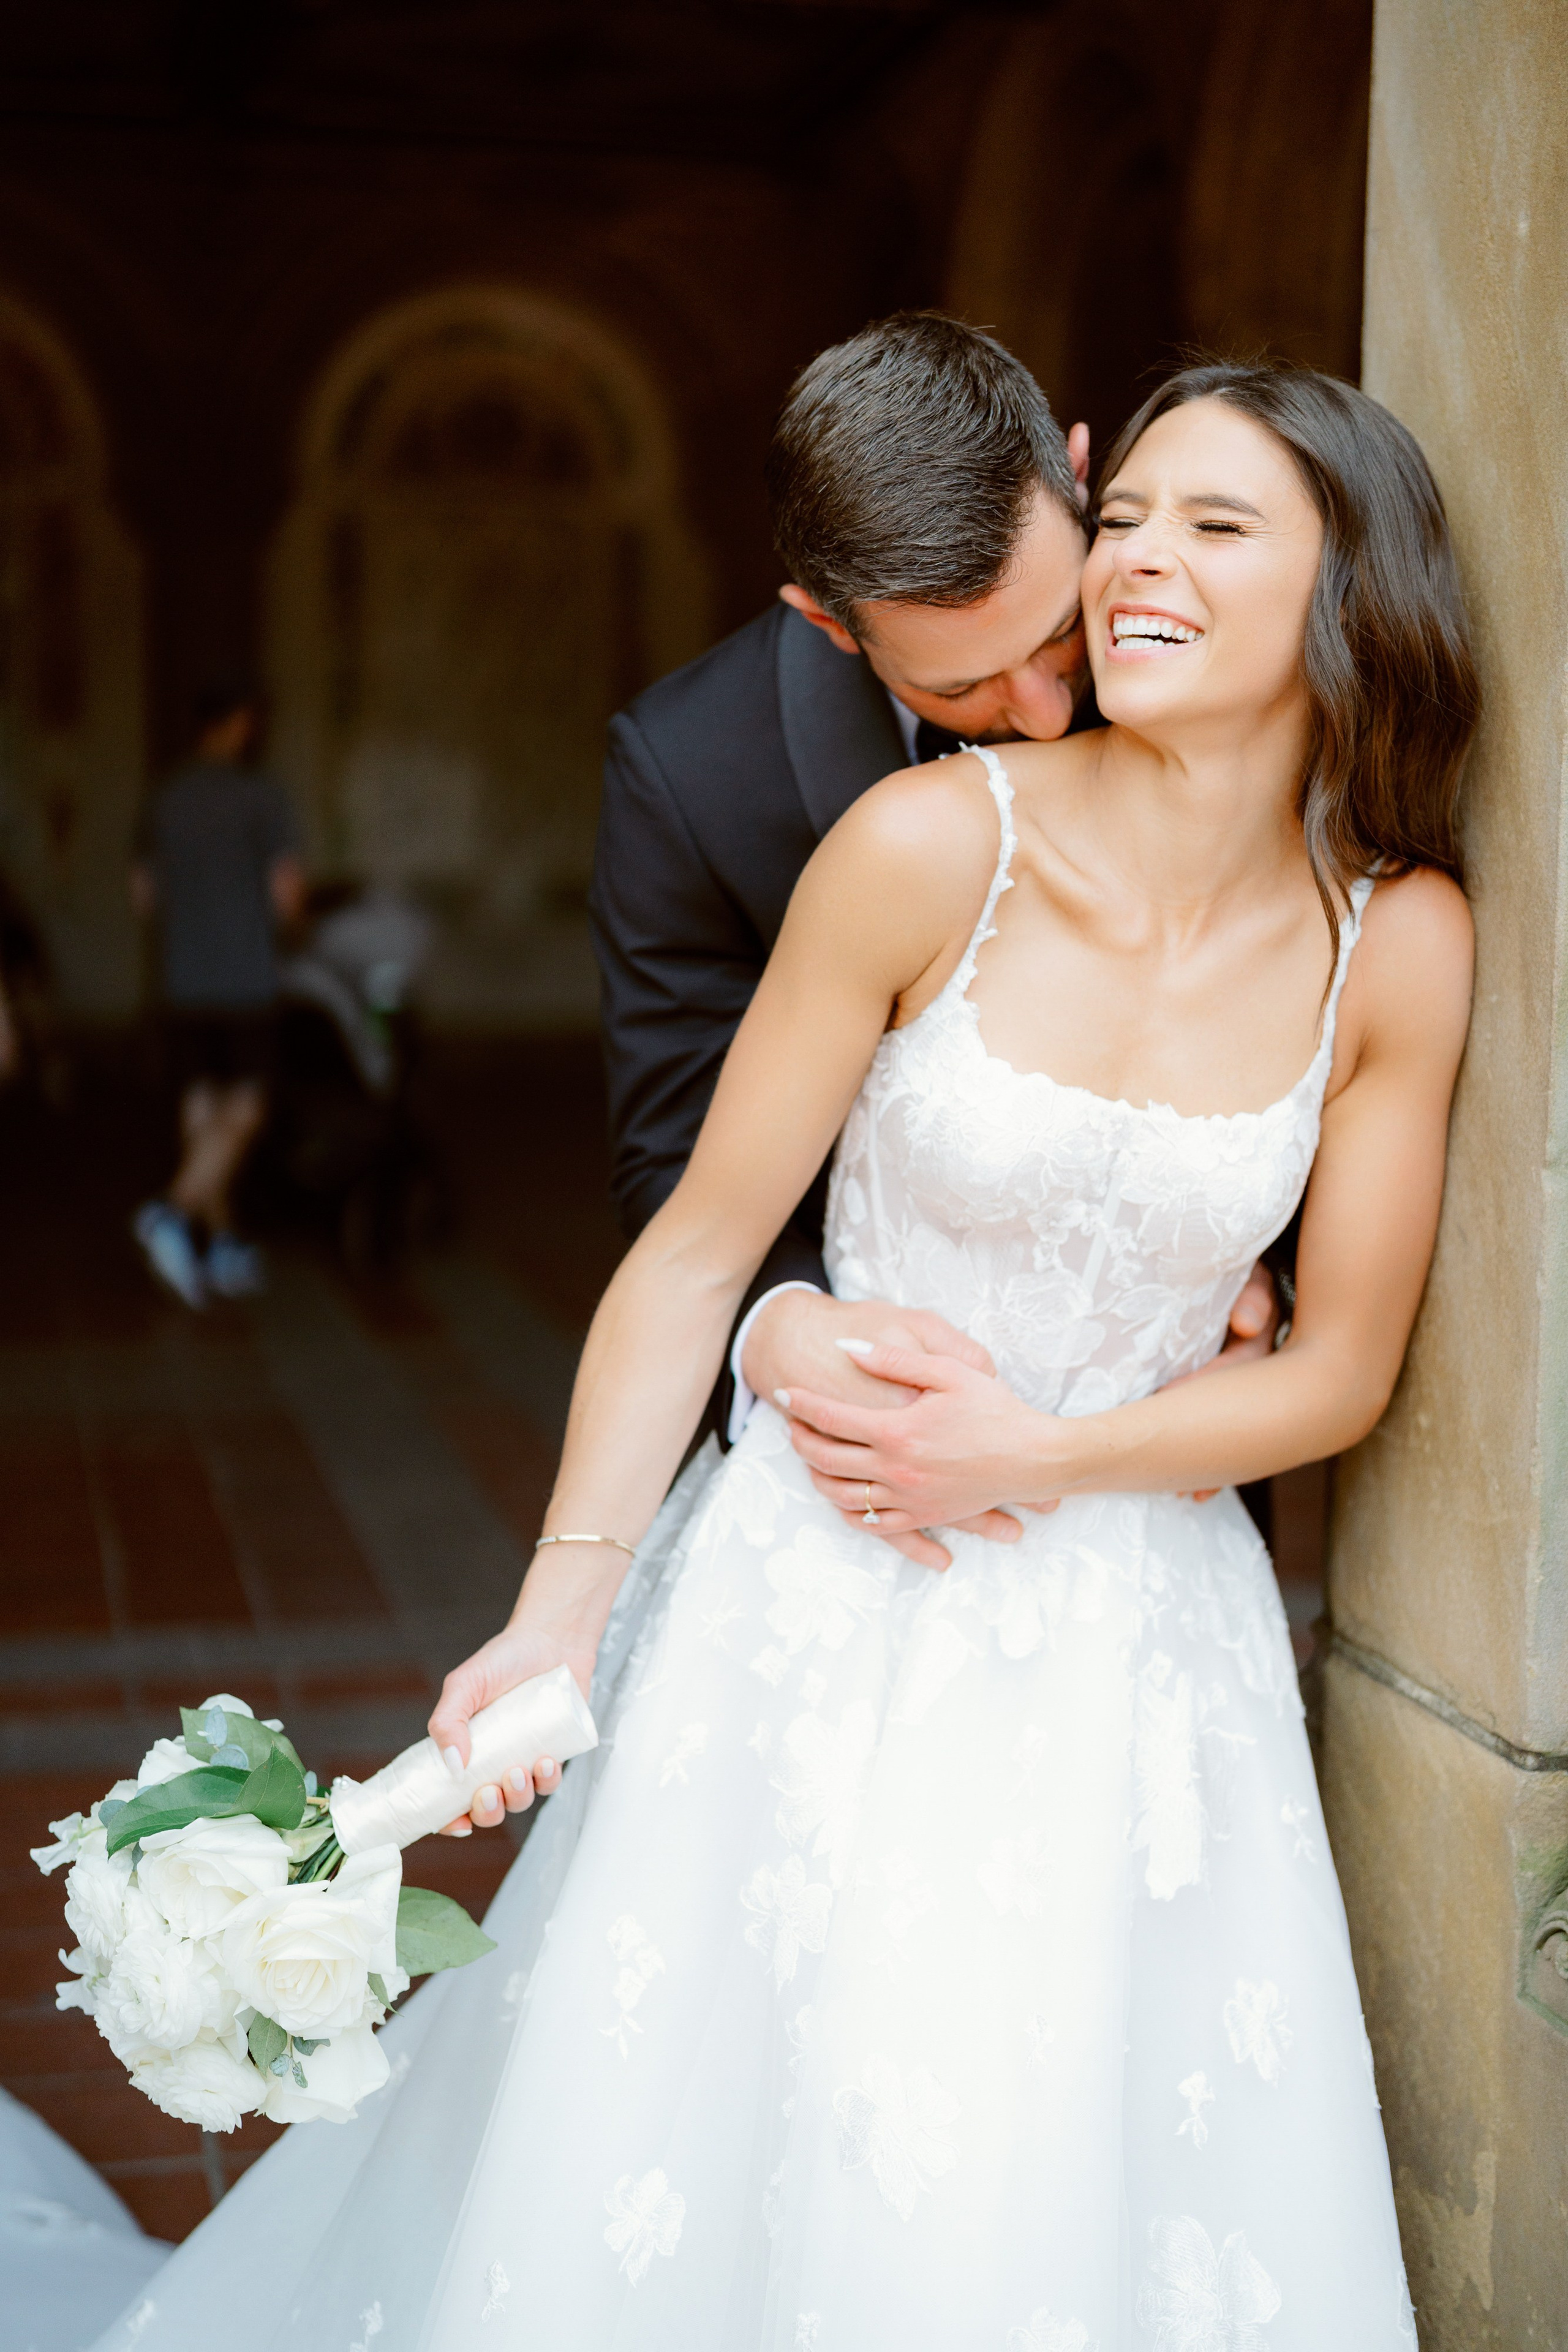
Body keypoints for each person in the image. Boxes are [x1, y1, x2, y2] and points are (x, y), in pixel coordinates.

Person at [97, 358, 1476, 2349]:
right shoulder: (920, 840)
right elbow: (690, 1240)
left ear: (1351, 585)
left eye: (1211, 524)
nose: (1137, 571)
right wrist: (557, 1618)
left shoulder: (1400, 936)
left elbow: (1344, 1368)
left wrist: (1058, 1437)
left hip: (1141, 1661)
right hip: (823, 1594)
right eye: (1143, 520)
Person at [592, 314, 1277, 1573]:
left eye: (1051, 636)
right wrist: (778, 1327)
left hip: (1163, 1483)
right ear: (827, 621)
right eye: (958, 690)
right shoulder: (690, 774)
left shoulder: (1224, 657)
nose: (1046, 708)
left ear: (1079, 476)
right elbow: (672, 1159)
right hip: (878, 1486)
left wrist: (1262, 1265)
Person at [130, 682, 305, 1306]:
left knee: (203, 1114)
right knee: (248, 1111)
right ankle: (172, 1214)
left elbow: (144, 897)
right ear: (239, 724)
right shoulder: (261, 797)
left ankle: (222, 1244)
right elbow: (287, 895)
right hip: (244, 979)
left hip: (183, 981)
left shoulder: (164, 797)